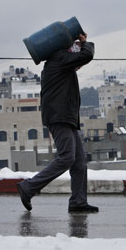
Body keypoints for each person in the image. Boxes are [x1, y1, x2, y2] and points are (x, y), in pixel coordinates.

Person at [17, 33, 98, 213]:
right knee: (67, 157)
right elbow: (86, 55)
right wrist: (85, 43)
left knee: (79, 162)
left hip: (65, 116)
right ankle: (29, 187)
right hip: (59, 116)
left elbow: (80, 61)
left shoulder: (59, 61)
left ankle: (78, 201)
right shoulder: (59, 59)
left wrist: (81, 46)